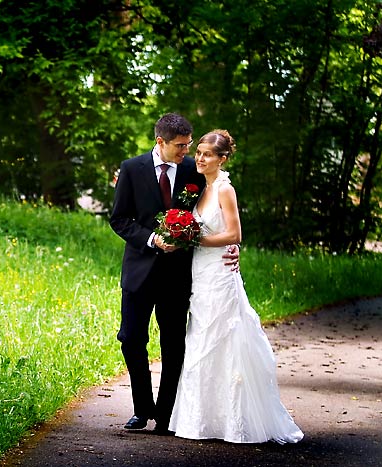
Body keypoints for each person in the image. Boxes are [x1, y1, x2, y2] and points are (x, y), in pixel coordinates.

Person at [168, 130, 303, 443]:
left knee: (222, 338)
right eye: (198, 152)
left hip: (220, 273)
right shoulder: (201, 187)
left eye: (207, 154)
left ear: (222, 159)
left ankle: (233, 421)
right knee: (201, 339)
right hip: (200, 272)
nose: (200, 158)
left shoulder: (225, 190)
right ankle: (202, 420)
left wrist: (194, 238)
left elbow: (234, 235)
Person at [110, 113, 239, 435]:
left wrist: (231, 247)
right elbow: (120, 219)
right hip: (139, 270)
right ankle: (142, 408)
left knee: (174, 343)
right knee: (131, 338)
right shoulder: (131, 169)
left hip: (178, 274)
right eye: (180, 146)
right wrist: (152, 239)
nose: (187, 152)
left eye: (189, 145)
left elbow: (217, 215)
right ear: (160, 142)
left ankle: (167, 414)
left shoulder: (192, 171)